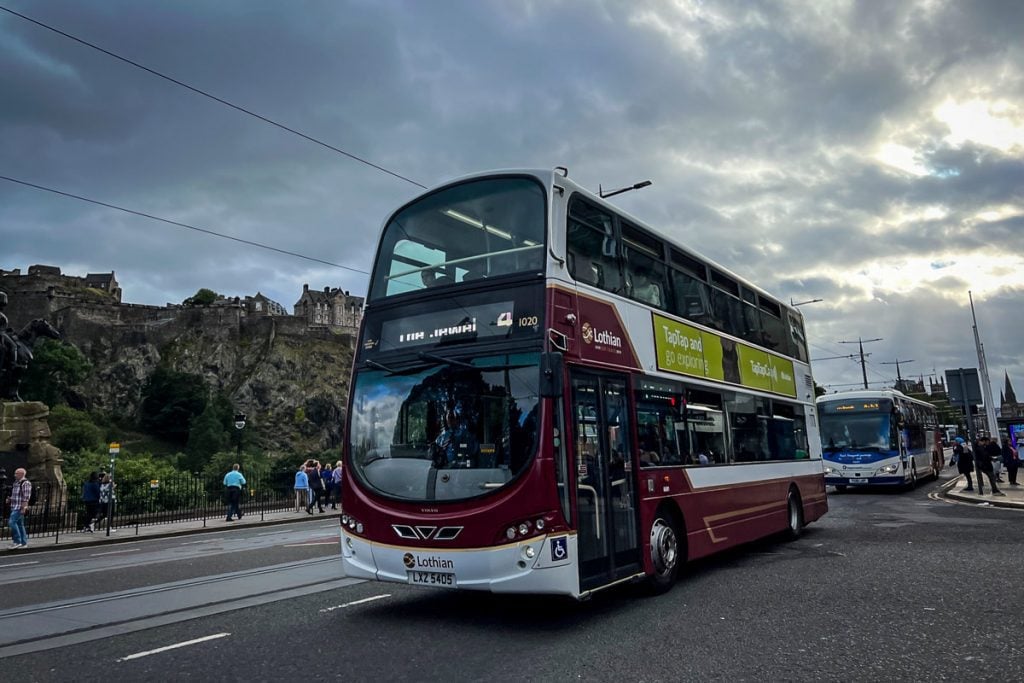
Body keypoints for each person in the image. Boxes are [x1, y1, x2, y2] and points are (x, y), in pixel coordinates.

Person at [6, 468, 31, 549]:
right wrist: (10, 499)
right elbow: (16, 495)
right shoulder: (16, 483)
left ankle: (17, 541)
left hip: (19, 507)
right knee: (20, 525)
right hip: (14, 506)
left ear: (21, 474)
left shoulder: (25, 483)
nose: (15, 475)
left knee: (11, 522)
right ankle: (24, 543)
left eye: (16, 473)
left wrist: (24, 508)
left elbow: (26, 497)